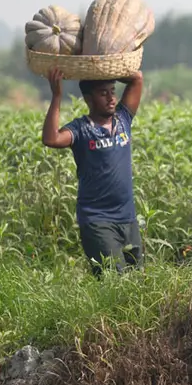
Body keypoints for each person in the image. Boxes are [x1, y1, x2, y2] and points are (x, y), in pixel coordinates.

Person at [41, 67, 145, 277]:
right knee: (114, 281)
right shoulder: (80, 129)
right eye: (103, 93)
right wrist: (57, 96)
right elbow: (51, 139)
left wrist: (106, 68)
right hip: (98, 221)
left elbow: (136, 78)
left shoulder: (123, 119)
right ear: (88, 98)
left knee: (137, 282)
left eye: (113, 91)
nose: (111, 98)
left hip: (128, 218)